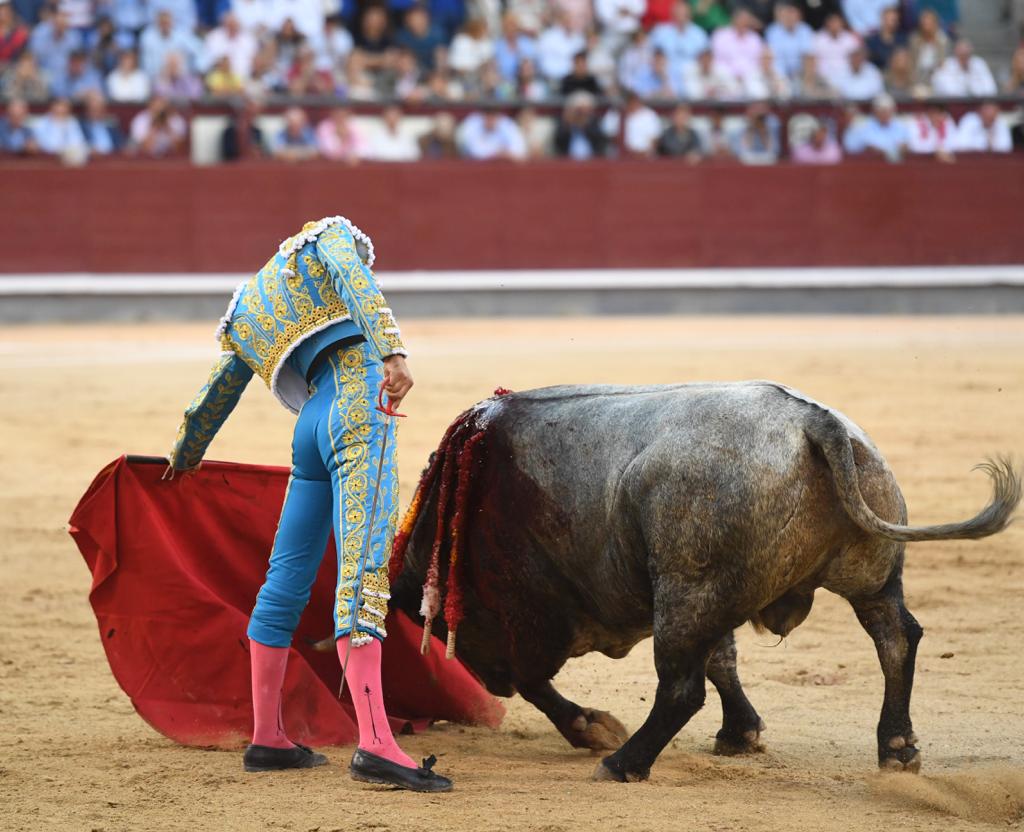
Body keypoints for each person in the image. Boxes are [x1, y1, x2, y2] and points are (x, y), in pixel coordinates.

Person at [165, 216, 452, 792]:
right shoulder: (330, 237)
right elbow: (353, 277)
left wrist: (185, 452)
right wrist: (392, 351)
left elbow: (218, 390)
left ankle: (267, 737)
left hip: (310, 427)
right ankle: (375, 744)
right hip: (356, 402)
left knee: (284, 580)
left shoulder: (251, 303)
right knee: (363, 571)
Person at [842, 93, 909, 162]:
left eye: (888, 110)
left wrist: (903, 148)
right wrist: (868, 148)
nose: (885, 114)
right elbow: (851, 147)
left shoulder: (901, 125)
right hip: (869, 163)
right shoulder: (862, 125)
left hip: (896, 164)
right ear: (875, 111)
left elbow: (906, 145)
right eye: (882, 111)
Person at [931, 39, 997, 98]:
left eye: (966, 54)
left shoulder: (979, 63)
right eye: (962, 55)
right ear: (955, 51)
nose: (964, 57)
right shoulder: (946, 64)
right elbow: (947, 90)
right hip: (951, 105)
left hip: (978, 105)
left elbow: (990, 87)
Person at [765, 1, 813, 79]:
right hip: (778, 74)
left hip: (800, 73)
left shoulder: (805, 30)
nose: (789, 16)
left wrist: (807, 78)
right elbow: (770, 57)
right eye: (787, 13)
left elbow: (808, 55)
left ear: (799, 15)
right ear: (781, 15)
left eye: (792, 13)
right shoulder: (773, 31)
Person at [553, 91, 607, 159]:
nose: (581, 114)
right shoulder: (563, 126)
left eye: (585, 111)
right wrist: (568, 122)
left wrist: (584, 125)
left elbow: (599, 143)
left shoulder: (596, 125)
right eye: (578, 111)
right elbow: (558, 143)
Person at [459, 109, 526, 160]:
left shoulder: (507, 124)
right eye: (488, 115)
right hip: (477, 169)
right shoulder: (472, 123)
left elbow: (519, 151)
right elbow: (474, 152)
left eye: (493, 115)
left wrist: (505, 154)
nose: (490, 119)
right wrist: (498, 153)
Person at [865, 5, 906, 70]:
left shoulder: (902, 40)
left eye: (896, 20)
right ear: (883, 19)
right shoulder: (872, 42)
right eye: (892, 20)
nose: (895, 22)